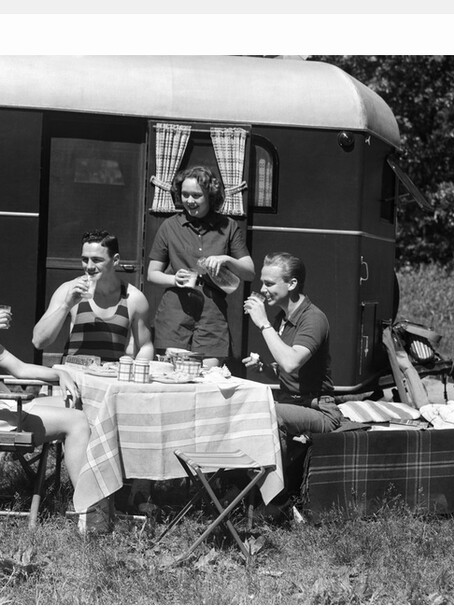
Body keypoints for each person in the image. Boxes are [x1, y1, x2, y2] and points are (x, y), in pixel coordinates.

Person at [0, 257, 110, 534]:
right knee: (76, 422)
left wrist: (60, 375)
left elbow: (19, 368)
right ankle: (89, 514)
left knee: (78, 403)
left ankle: (98, 498)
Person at [146, 165, 255, 368]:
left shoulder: (228, 226)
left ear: (211, 196)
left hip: (212, 315)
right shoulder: (169, 226)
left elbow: (249, 272)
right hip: (175, 314)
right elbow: (152, 274)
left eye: (196, 195)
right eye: (185, 194)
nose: (189, 201)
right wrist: (173, 279)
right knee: (173, 375)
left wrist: (226, 259)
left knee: (208, 376)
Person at [242, 252, 343, 437]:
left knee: (266, 413)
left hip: (319, 410)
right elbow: (288, 372)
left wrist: (263, 324)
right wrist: (265, 369)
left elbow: (290, 363)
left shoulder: (313, 318)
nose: (262, 289)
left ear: (292, 284)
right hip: (290, 403)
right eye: (262, 282)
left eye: (269, 284)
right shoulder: (281, 318)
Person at [32, 230, 154, 362]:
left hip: (110, 379)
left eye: (96, 260)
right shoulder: (69, 290)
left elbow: (145, 347)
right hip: (73, 379)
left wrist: (136, 376)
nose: (89, 266)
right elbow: (39, 342)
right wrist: (66, 306)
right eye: (85, 260)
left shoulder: (133, 298)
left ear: (115, 260)